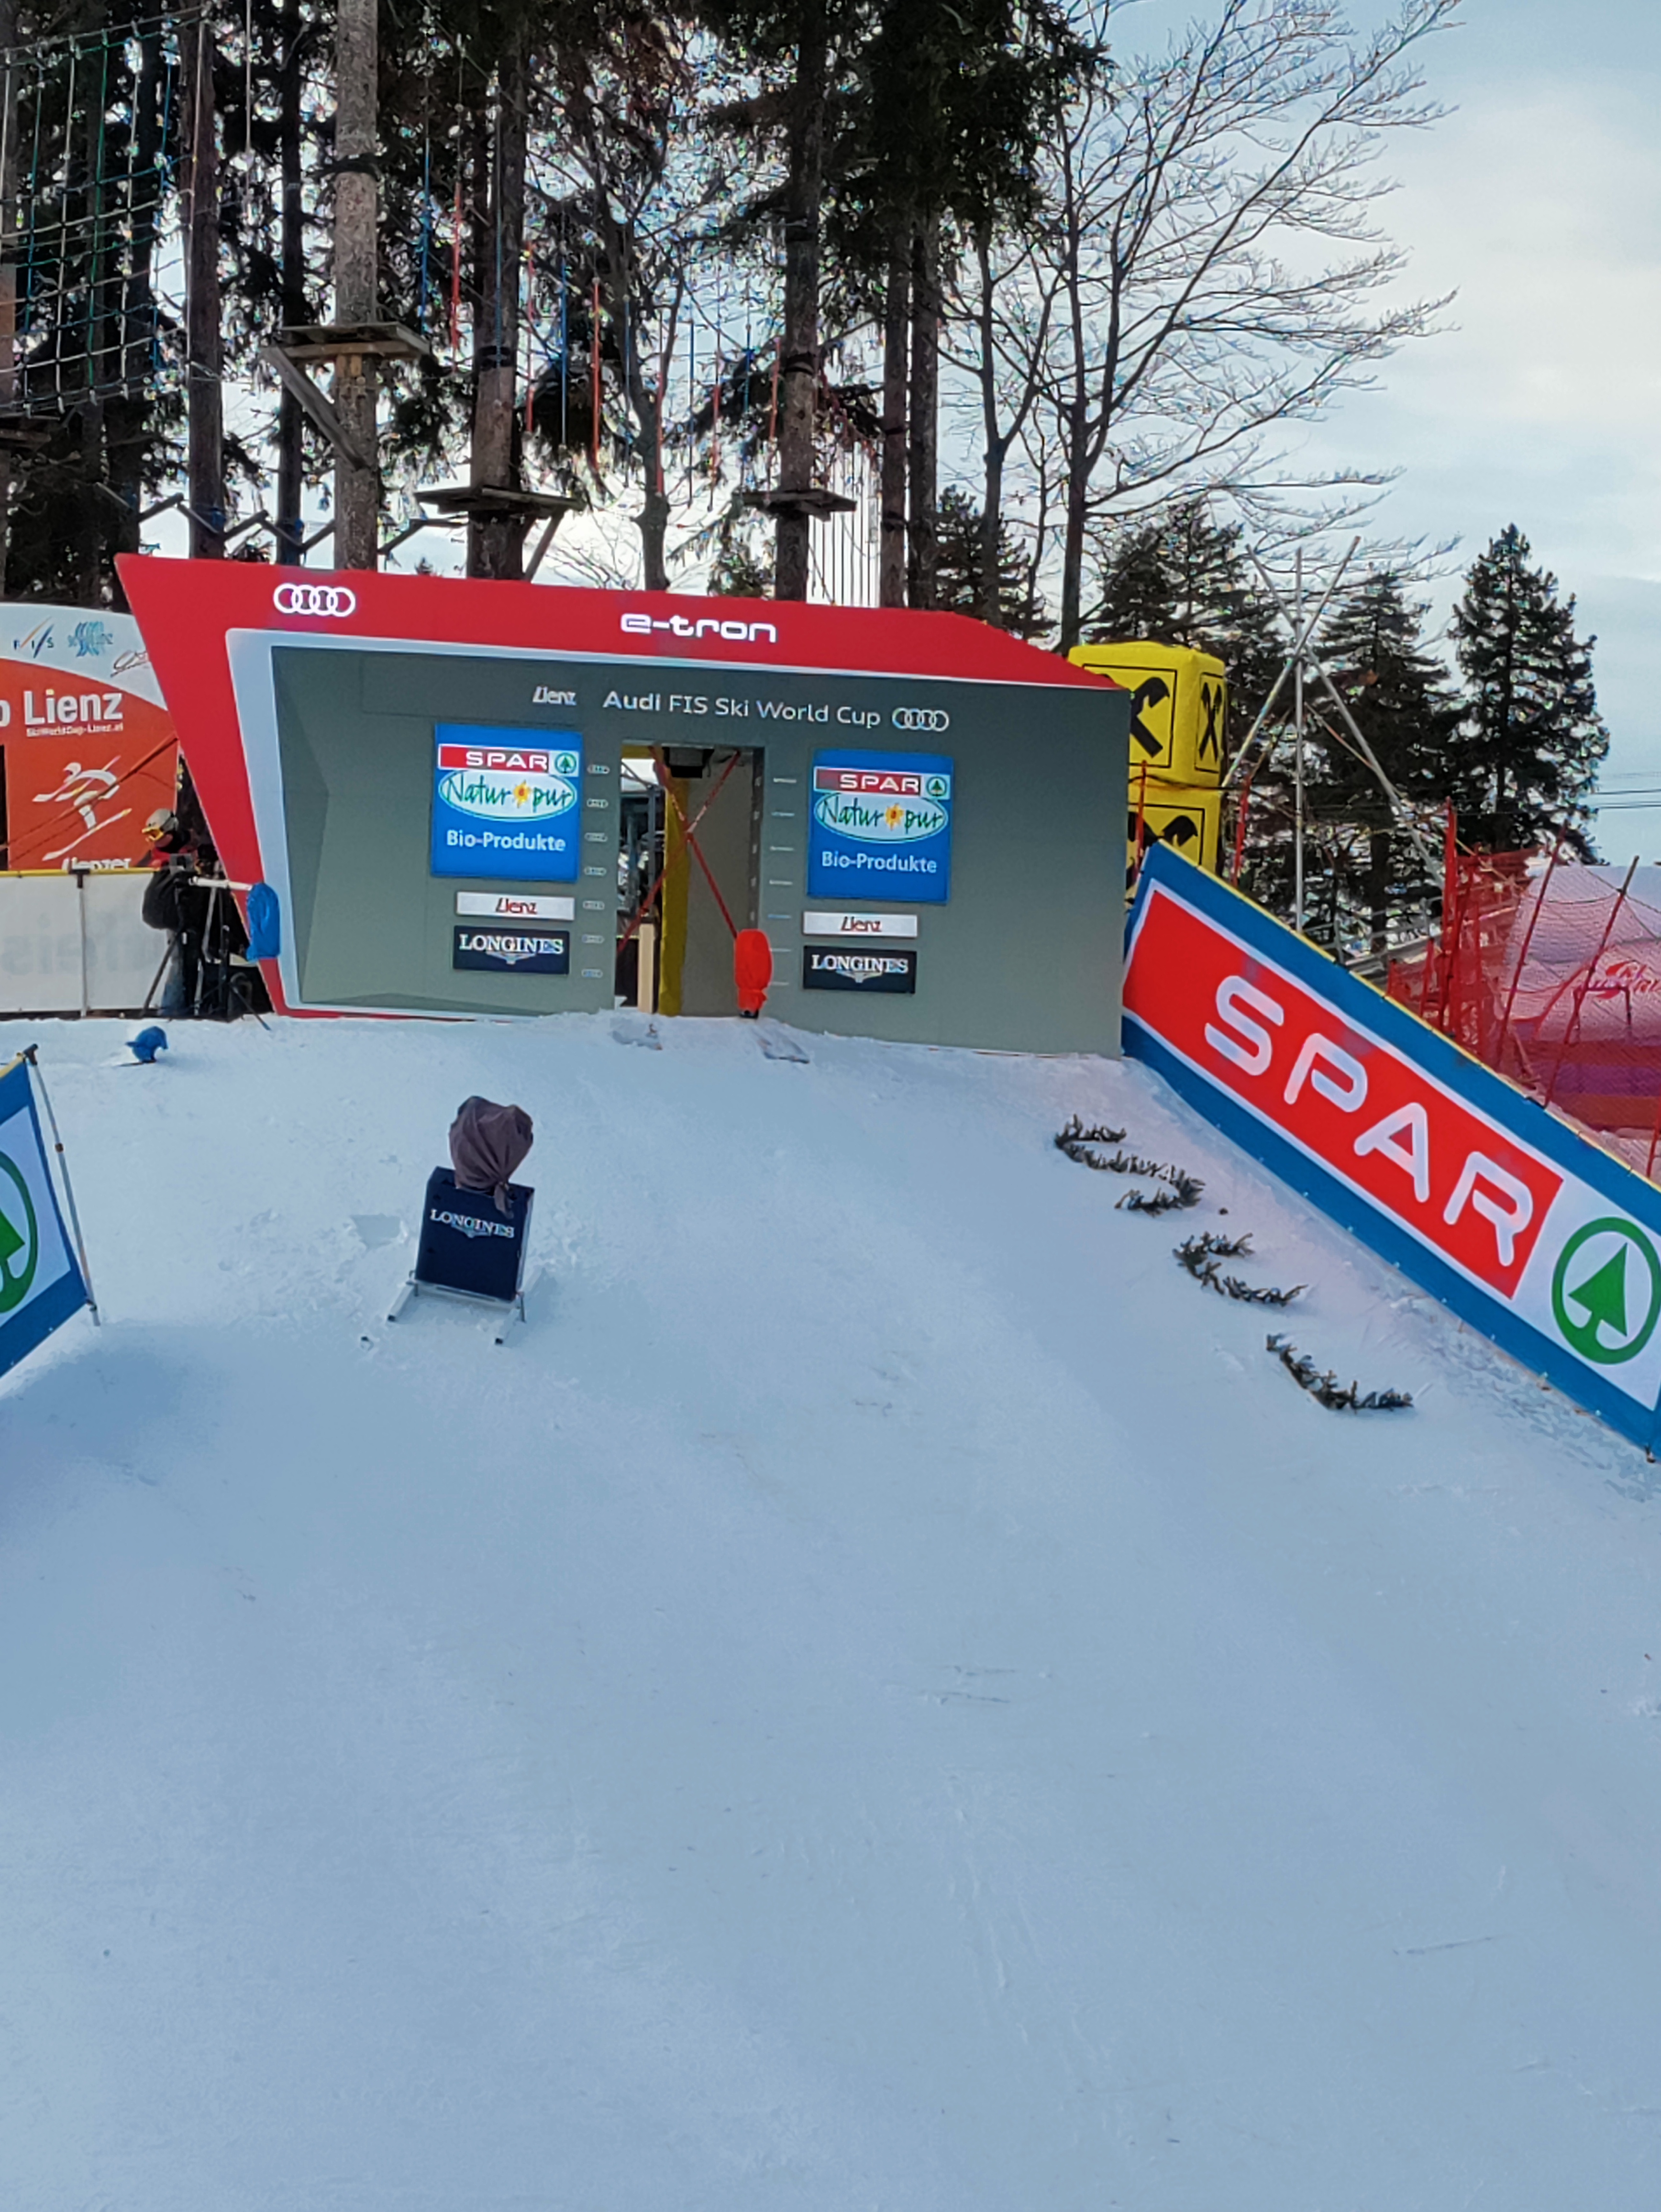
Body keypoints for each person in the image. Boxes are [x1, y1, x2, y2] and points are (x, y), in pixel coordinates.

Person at [141, 809, 209, 1016]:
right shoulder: (163, 854)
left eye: (157, 835)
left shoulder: (190, 845)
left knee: (188, 959)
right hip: (175, 913)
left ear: (171, 829)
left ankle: (182, 1005)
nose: (155, 842)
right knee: (180, 959)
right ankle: (173, 1008)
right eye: (150, 836)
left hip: (193, 911)